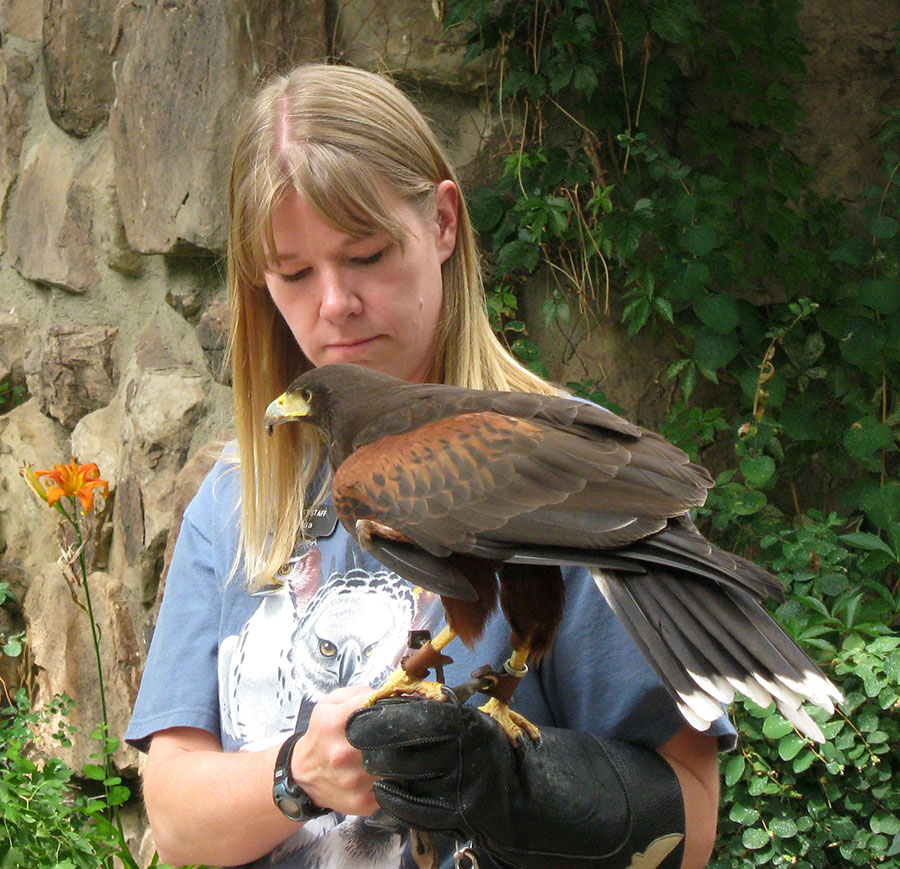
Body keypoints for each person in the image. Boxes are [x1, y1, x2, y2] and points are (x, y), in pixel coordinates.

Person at [125, 62, 731, 869]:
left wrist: (524, 785)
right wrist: (300, 771)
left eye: (367, 253)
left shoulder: (563, 471)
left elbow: (691, 818)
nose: (333, 302)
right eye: (294, 273)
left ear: (443, 223)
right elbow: (174, 813)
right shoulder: (238, 500)